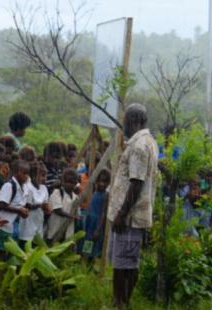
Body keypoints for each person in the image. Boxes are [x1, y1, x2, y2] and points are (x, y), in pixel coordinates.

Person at [107, 103, 158, 310]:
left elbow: (137, 183)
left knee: (123, 265)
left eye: (126, 121)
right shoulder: (148, 142)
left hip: (130, 217)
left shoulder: (138, 146)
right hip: (133, 215)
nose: (124, 125)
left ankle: (121, 304)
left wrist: (121, 213)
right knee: (127, 263)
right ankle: (120, 302)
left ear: (134, 121)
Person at [0, 160, 31, 254]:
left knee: (9, 254)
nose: (26, 176)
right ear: (16, 172)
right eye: (24, 173)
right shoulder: (9, 186)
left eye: (28, 174)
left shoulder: (24, 188)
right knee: (0, 253)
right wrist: (18, 211)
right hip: (3, 225)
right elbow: (1, 204)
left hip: (14, 227)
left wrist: (23, 211)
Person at [46, 169, 81, 244]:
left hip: (68, 231)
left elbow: (77, 212)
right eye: (68, 182)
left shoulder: (75, 197)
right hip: (55, 229)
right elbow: (57, 210)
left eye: (72, 183)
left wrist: (77, 217)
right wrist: (72, 216)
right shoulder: (57, 193)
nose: (70, 185)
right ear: (63, 182)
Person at [83, 170, 110, 261]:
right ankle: (85, 260)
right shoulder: (94, 192)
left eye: (105, 182)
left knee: (95, 243)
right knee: (88, 241)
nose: (102, 184)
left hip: (97, 223)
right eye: (100, 181)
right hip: (90, 221)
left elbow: (103, 213)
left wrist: (98, 229)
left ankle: (91, 261)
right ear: (97, 181)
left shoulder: (106, 195)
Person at [19, 162, 49, 244]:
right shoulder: (28, 187)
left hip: (38, 222)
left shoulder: (44, 188)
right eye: (42, 175)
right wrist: (39, 205)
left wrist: (47, 209)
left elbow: (46, 205)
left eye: (45, 175)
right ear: (33, 176)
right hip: (28, 226)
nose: (44, 178)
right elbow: (26, 205)